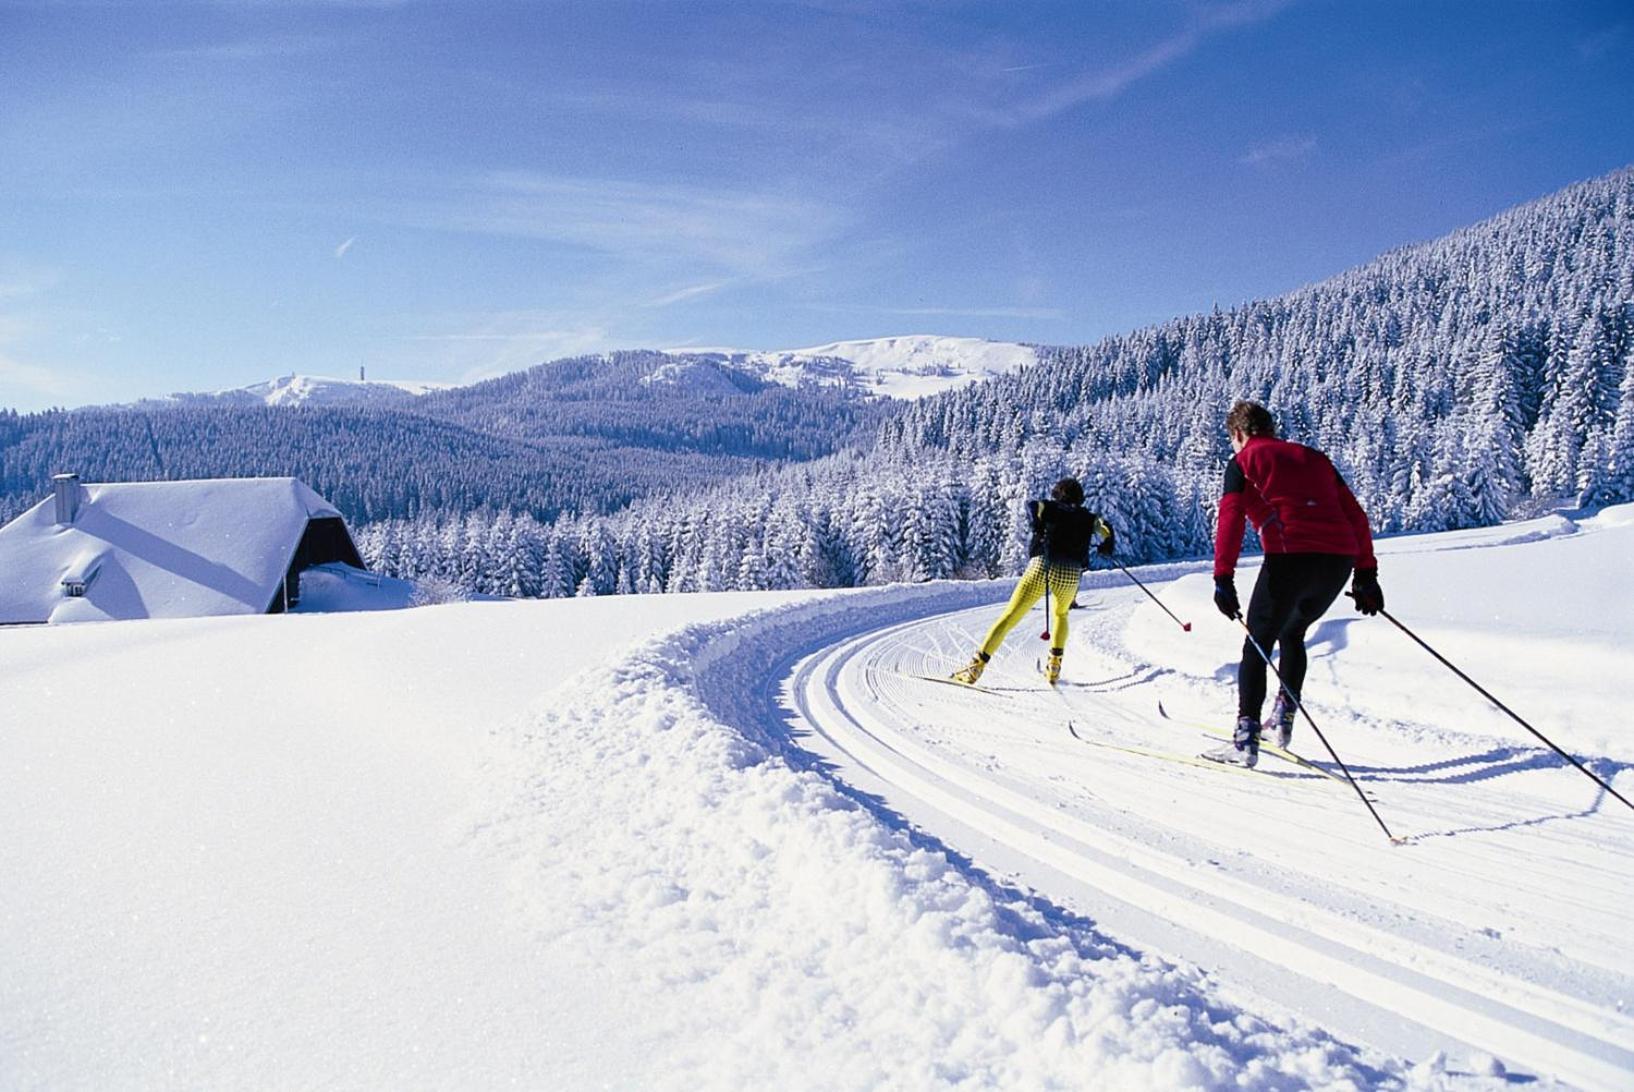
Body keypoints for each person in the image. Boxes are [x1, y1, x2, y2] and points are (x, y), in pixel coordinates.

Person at [1208, 401, 1384, 767]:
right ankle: (1282, 721)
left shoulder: (1242, 462)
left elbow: (1231, 518)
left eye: (1233, 440)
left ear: (1239, 434)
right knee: (1292, 633)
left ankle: (1245, 740)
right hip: (1338, 562)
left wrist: (1223, 576)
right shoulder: (1314, 458)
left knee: (1257, 644)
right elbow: (1355, 514)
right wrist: (1366, 575)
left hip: (1289, 559)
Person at [952, 477, 1115, 687]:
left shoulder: (1048, 507)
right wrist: (1108, 544)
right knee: (1061, 615)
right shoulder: (1089, 518)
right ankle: (1054, 668)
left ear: (1057, 494)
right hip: (1070, 573)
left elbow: (1032, 506)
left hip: (1041, 566)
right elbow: (1106, 528)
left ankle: (976, 666)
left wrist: (1037, 524)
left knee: (1009, 617)